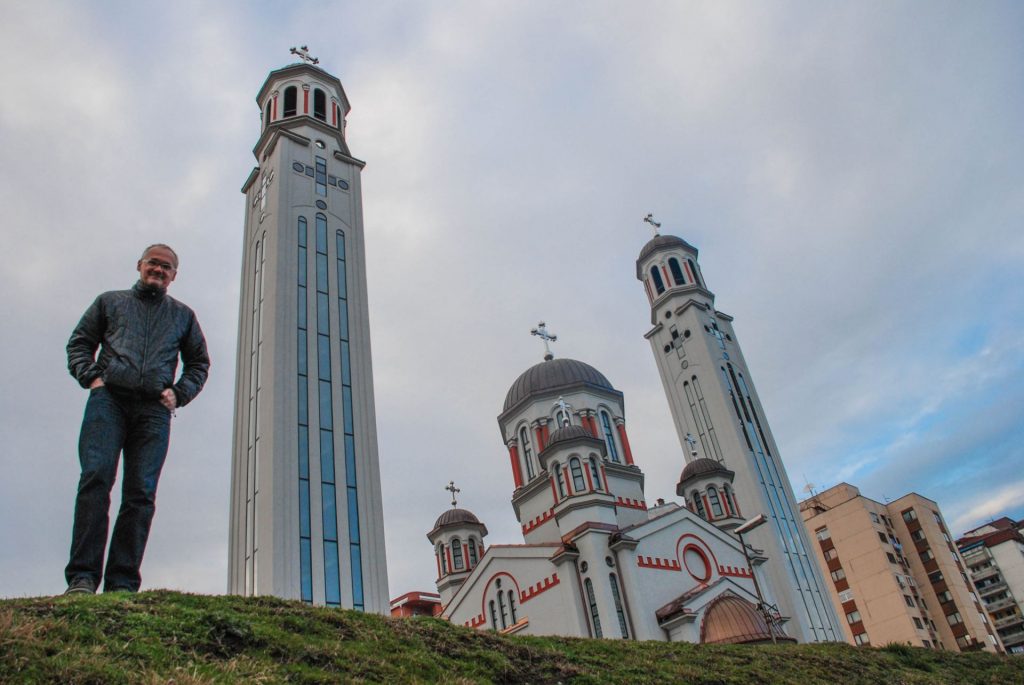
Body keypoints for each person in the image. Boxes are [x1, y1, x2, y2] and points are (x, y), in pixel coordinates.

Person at [64, 244, 210, 594]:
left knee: (141, 493)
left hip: (153, 413)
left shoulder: (183, 316)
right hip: (108, 402)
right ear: (140, 265)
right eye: (153, 264)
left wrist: (179, 393)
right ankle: (83, 577)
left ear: (174, 275)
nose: (159, 270)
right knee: (96, 479)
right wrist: (92, 378)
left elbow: (200, 363)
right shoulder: (109, 301)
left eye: (167, 267)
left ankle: (122, 583)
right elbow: (79, 343)